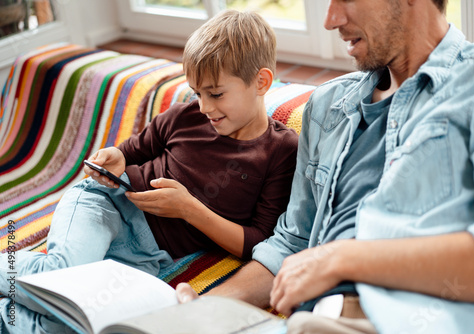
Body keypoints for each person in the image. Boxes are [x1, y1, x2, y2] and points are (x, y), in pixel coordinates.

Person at [176, 0, 474, 333]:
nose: (331, 20)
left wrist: (341, 258)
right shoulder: (328, 106)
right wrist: (208, 309)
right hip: (319, 319)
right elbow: (292, 244)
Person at [0, 10, 299, 333]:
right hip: (108, 204)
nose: (203, 107)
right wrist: (113, 156)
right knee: (63, 272)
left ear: (261, 82)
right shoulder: (185, 117)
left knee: (92, 322)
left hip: (150, 255)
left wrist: (189, 209)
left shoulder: (282, 152)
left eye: (215, 94)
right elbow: (129, 152)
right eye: (197, 93)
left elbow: (256, 242)